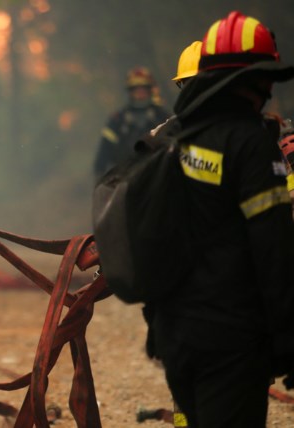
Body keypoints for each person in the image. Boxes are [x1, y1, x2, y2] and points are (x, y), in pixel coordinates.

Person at [151, 11, 294, 427]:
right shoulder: (252, 143)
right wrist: (286, 340)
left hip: (175, 333)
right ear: (253, 79)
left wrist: (156, 325)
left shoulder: (166, 142)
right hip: (232, 336)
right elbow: (273, 251)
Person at [93, 66, 171, 178]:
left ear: (149, 91)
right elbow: (103, 154)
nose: (140, 94)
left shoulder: (162, 117)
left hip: (157, 178)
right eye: (136, 90)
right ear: (130, 92)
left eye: (143, 90)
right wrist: (100, 178)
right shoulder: (117, 120)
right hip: (124, 178)